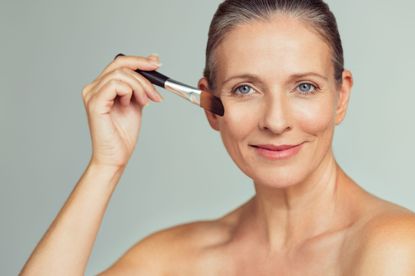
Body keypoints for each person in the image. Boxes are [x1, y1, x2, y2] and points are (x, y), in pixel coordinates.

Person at [21, 0, 415, 275]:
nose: (276, 121)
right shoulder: (178, 258)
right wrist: (105, 166)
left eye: (305, 87)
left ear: (341, 96)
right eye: (245, 89)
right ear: (210, 105)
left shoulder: (396, 247)